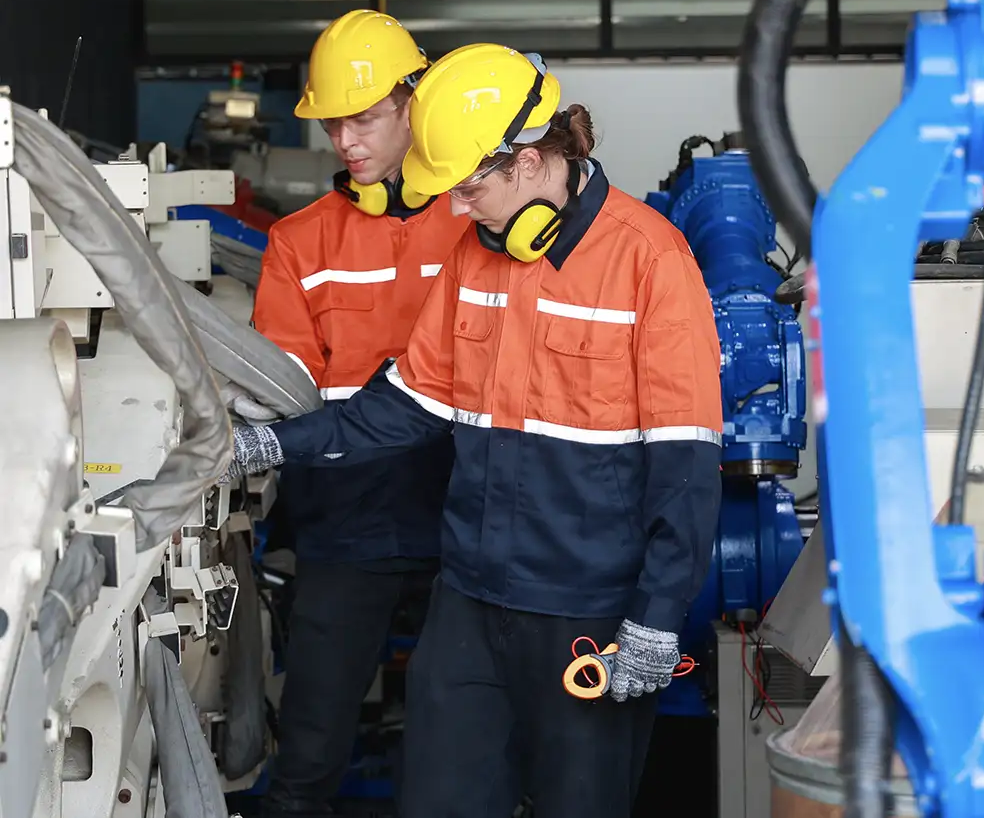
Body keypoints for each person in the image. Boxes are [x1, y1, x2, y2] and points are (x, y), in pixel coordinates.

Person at [232, 43, 723, 818]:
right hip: (468, 597)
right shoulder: (477, 255)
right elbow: (408, 400)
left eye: (467, 188)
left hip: (584, 608)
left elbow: (686, 465)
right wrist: (271, 443)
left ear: (527, 162)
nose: (456, 211)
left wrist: (658, 618)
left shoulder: (650, 262)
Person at [252, 10, 467, 818]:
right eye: (335, 120)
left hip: (465, 515)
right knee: (310, 740)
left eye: (365, 117)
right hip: (348, 516)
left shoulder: (480, 221)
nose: (346, 139)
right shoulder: (299, 242)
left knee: (461, 735)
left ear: (414, 103)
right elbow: (284, 381)